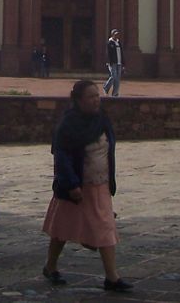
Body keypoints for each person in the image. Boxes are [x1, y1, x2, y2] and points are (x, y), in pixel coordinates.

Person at [42, 80, 131, 292]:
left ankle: (112, 277)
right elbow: (62, 156)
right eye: (90, 96)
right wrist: (71, 184)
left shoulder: (101, 120)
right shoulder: (69, 124)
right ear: (79, 100)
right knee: (62, 229)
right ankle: (50, 265)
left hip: (99, 185)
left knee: (105, 227)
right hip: (76, 186)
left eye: (97, 96)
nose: (95, 100)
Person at [104, 30, 124, 97]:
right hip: (112, 63)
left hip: (119, 63)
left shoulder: (119, 43)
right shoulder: (109, 43)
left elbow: (121, 53)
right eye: (115, 34)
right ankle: (106, 87)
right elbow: (108, 54)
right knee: (113, 76)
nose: (117, 36)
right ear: (112, 35)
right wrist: (109, 62)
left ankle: (115, 93)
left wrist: (123, 63)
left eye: (117, 34)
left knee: (118, 79)